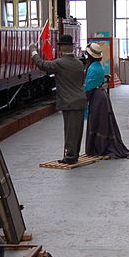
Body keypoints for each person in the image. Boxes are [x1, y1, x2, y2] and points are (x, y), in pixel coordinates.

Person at [30, 34, 86, 164]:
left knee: (70, 131)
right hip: (80, 100)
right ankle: (74, 155)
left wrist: (33, 51)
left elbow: (42, 64)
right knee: (77, 131)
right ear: (72, 47)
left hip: (69, 102)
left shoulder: (60, 63)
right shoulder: (79, 63)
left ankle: (70, 157)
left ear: (61, 49)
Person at [82, 42, 129, 159]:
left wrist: (84, 100)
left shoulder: (92, 68)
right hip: (102, 96)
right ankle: (101, 146)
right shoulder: (99, 66)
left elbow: (89, 87)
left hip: (96, 97)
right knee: (103, 122)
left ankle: (98, 148)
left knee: (96, 122)